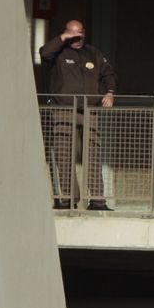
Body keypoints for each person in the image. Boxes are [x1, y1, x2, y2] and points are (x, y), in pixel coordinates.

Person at [39, 18, 117, 209]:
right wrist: (63, 38)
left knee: (93, 155)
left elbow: (108, 73)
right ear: (66, 33)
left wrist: (110, 92)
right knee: (64, 155)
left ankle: (97, 200)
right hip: (64, 110)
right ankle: (67, 199)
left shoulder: (93, 53)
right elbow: (44, 52)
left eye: (80, 33)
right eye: (73, 34)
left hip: (89, 110)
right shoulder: (58, 52)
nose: (77, 38)